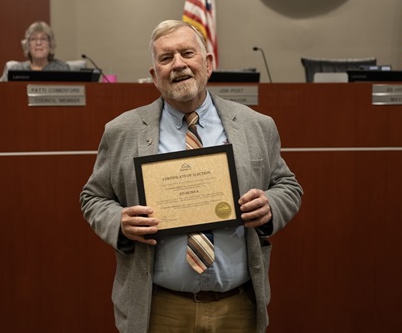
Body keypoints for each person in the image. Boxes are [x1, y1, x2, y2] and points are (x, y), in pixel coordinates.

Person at [79, 20, 303, 333]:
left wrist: (270, 206)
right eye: (166, 58)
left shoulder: (256, 125)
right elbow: (93, 197)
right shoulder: (122, 132)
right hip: (160, 308)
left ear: (208, 64)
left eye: (187, 53)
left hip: (238, 306)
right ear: (155, 75)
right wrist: (119, 222)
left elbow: (288, 186)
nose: (179, 64)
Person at [0, 21, 69, 81]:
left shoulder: (62, 68)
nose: (38, 43)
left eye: (43, 39)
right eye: (33, 39)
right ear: (28, 45)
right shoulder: (16, 69)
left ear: (50, 44)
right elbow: (0, 92)